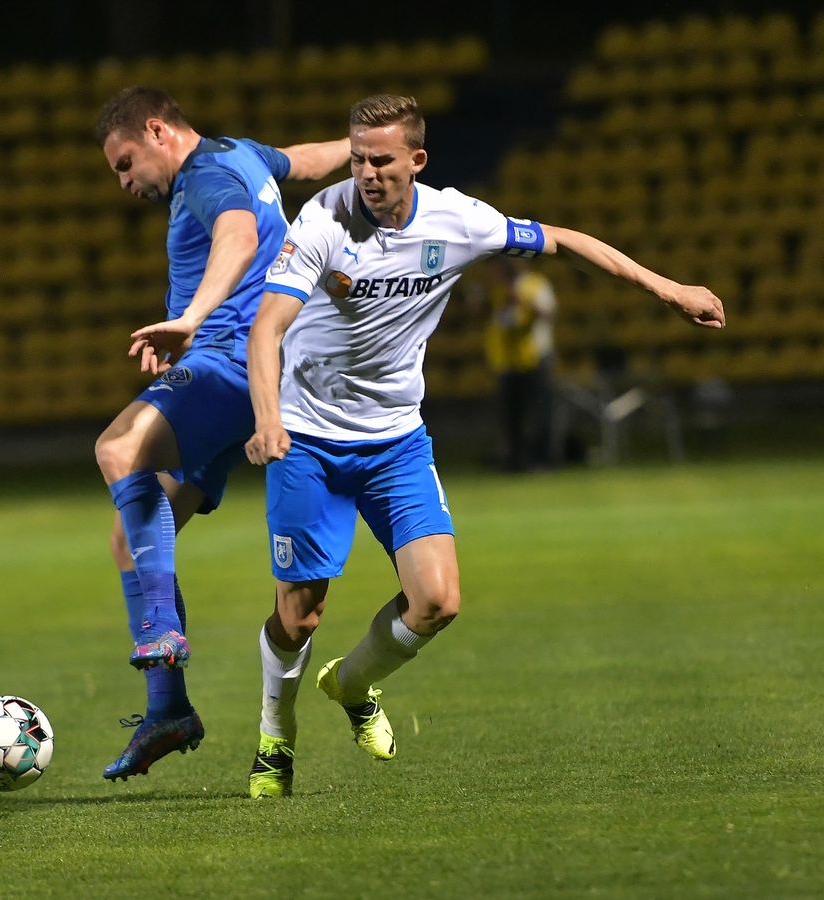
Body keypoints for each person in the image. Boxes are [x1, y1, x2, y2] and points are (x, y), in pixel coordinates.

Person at [243, 94, 725, 798]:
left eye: (381, 159)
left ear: (417, 160)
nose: (366, 172)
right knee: (299, 614)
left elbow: (562, 239)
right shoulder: (322, 221)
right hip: (307, 440)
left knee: (437, 601)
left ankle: (350, 686)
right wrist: (266, 419)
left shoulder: (458, 219)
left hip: (396, 441)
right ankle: (274, 741)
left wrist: (667, 287)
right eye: (356, 158)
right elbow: (266, 330)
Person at [92, 86, 350, 782]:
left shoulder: (205, 178)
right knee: (133, 533)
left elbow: (237, 236)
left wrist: (191, 318)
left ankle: (156, 631)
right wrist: (363, 153)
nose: (125, 183)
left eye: (124, 164)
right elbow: (303, 160)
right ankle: (168, 709)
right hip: (258, 373)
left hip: (231, 365)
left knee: (117, 449)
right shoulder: (240, 153)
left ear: (155, 131)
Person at [484, 255, 557, 471]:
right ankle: (515, 462)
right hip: (507, 360)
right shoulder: (497, 289)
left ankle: (543, 460)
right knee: (510, 415)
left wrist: (520, 298)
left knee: (539, 412)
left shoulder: (536, 284)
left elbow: (548, 313)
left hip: (536, 355)